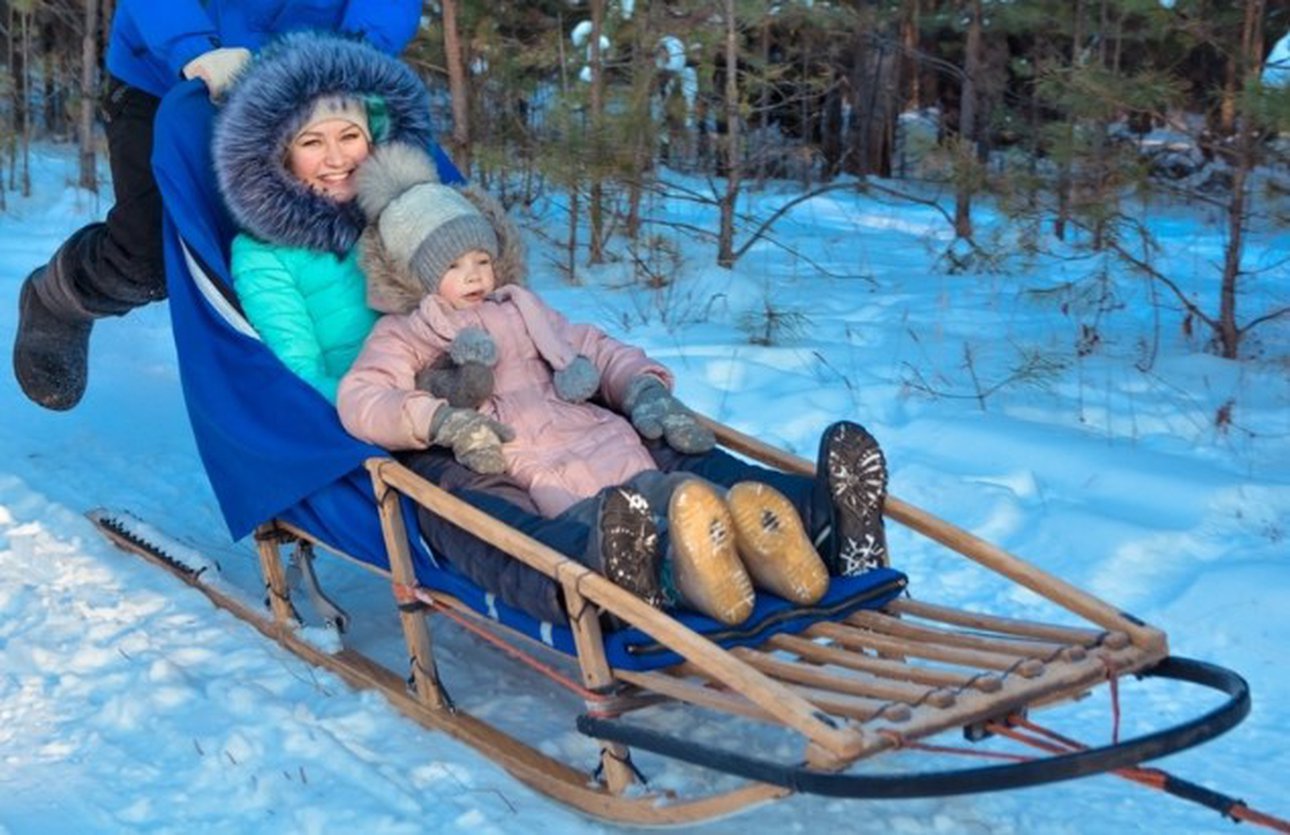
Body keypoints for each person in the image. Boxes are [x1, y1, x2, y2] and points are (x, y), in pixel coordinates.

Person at [336, 142, 891, 626]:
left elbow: (595, 348)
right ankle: (674, 569)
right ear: (419, 275)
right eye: (456, 266)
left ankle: (818, 519)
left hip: (594, 433)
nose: (478, 275)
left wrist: (643, 387)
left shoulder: (524, 307)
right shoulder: (407, 333)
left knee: (685, 484)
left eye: (483, 258)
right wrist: (439, 418)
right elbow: (363, 396)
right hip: (526, 460)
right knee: (631, 514)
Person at [12, 0, 421, 411]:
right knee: (150, 254)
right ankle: (59, 295)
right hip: (171, 72)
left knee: (361, 235)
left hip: (313, 77)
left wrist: (359, 47)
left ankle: (364, 391)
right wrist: (193, 47)